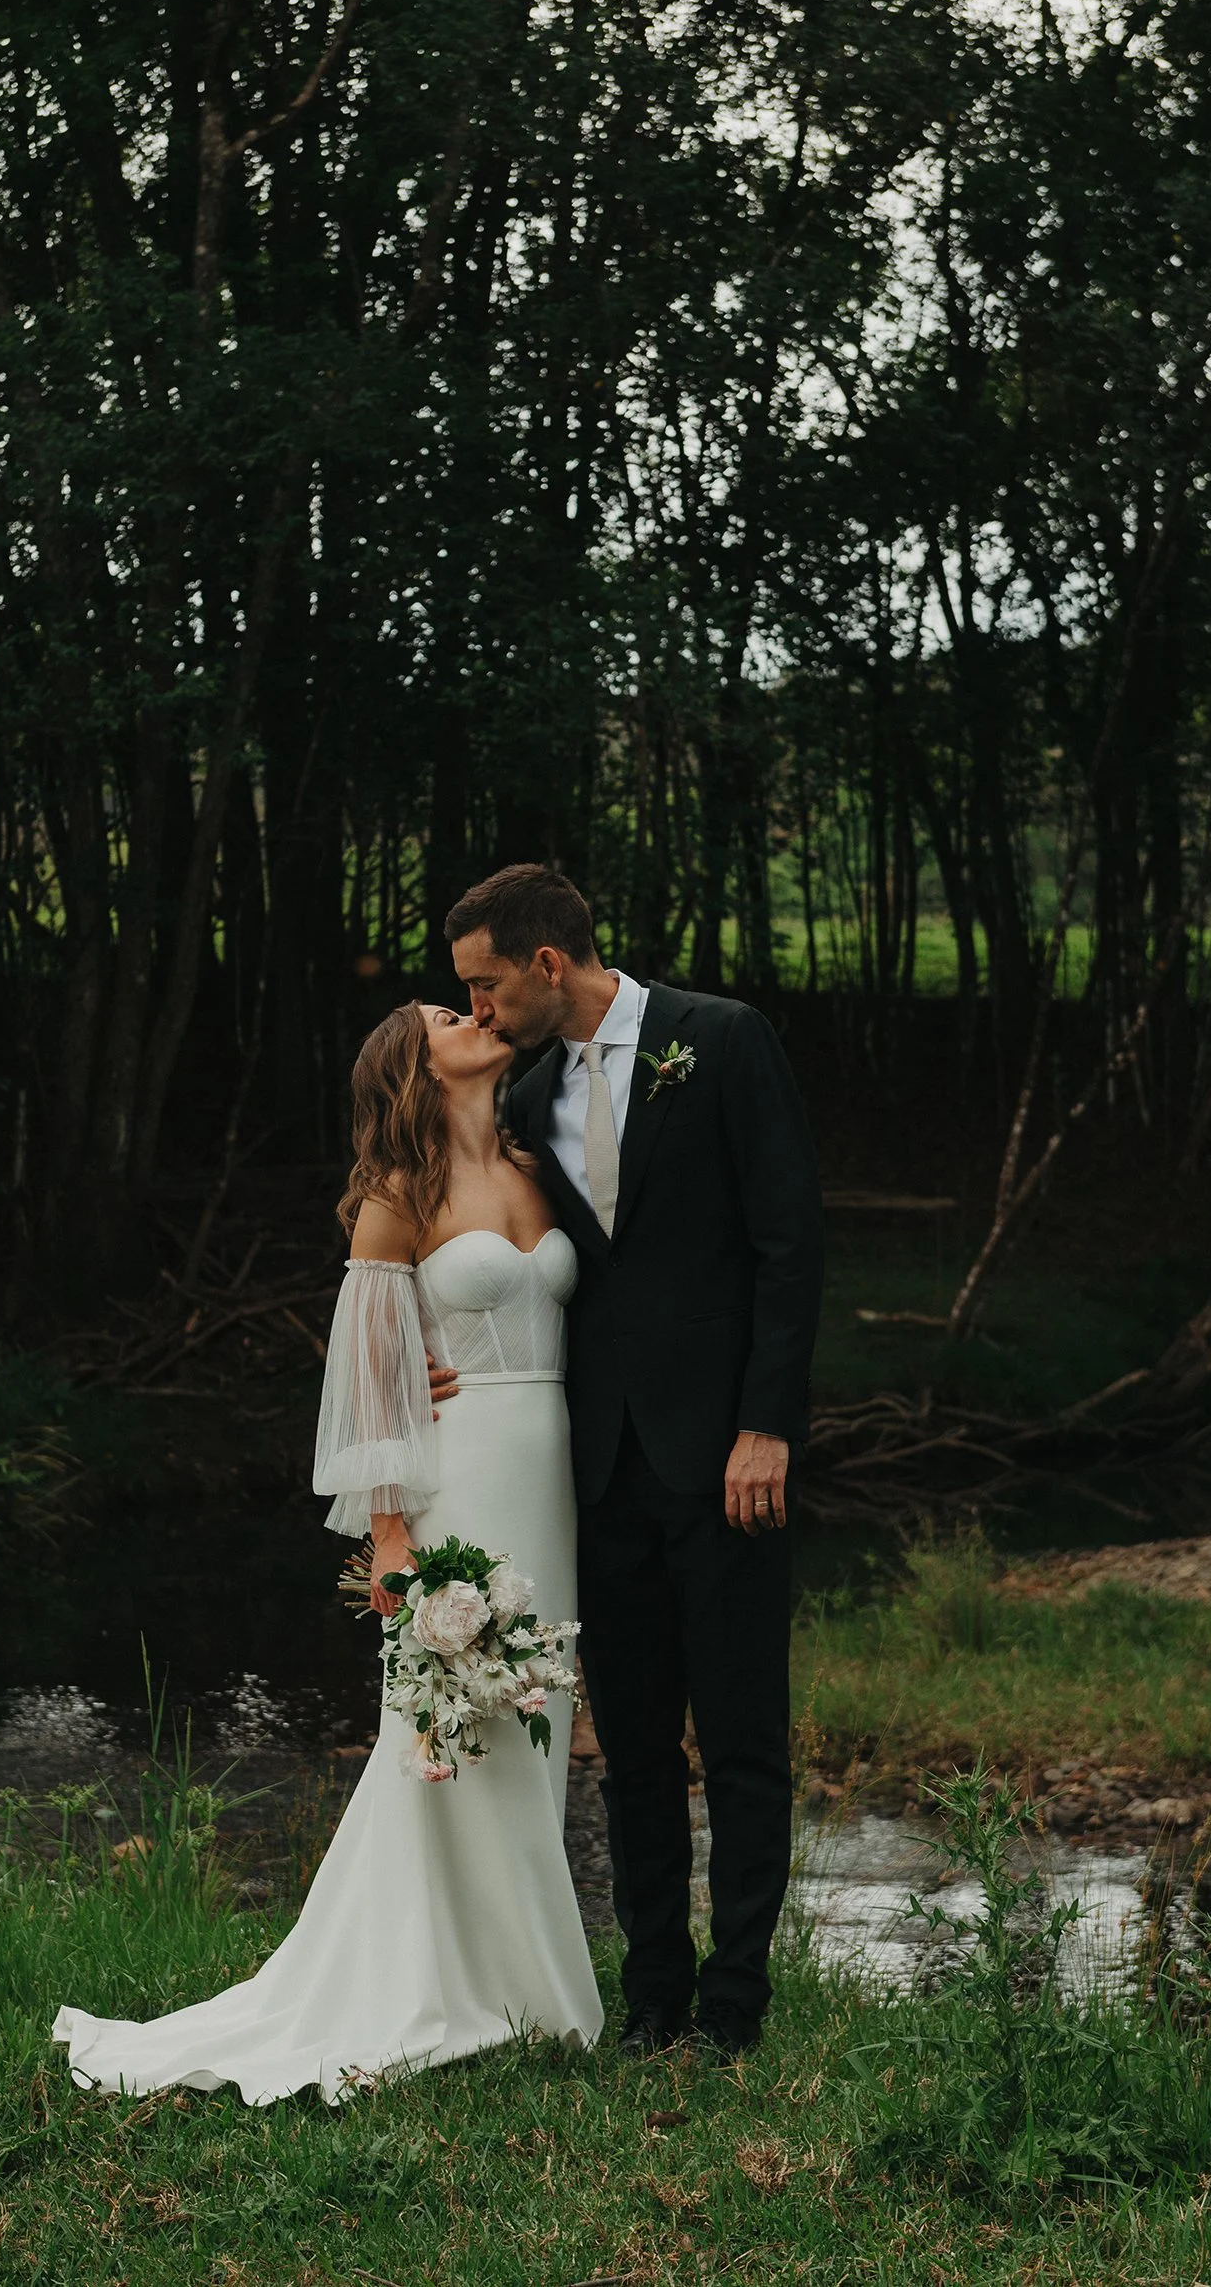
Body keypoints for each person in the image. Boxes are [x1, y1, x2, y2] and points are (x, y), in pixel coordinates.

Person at [52, 1000, 602, 2103]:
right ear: (412, 1061)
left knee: (533, 1704)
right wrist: (393, 1539)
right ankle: (470, 1980)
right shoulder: (396, 1199)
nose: (478, 1013)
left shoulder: (544, 1164)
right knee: (454, 1715)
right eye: (450, 1012)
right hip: (464, 1478)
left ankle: (522, 1969)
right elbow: (366, 1381)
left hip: (555, 1474)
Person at [445, 864, 823, 2058]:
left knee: (744, 1740)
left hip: (725, 1460)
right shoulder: (527, 1087)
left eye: (488, 983)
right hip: (593, 1468)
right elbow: (449, 1215)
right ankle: (652, 1993)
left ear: (547, 964)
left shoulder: (722, 1039)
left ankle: (735, 2005)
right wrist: (431, 1351)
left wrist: (765, 1422)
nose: (479, 1010)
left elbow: (788, 1240)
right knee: (636, 1749)